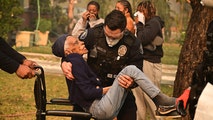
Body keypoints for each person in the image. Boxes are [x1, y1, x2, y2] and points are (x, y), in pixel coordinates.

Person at [52, 35, 189, 120]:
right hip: (99, 108)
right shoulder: (75, 61)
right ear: (68, 51)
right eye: (76, 42)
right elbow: (87, 92)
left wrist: (64, 61)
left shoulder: (73, 60)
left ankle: (161, 102)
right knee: (129, 70)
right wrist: (112, 88)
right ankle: (161, 101)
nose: (81, 42)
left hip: (100, 105)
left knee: (128, 73)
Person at [59, 10, 143, 120]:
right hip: (93, 85)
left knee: (130, 110)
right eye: (108, 35)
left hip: (118, 88)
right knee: (79, 111)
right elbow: (72, 49)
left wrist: (131, 82)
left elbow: (138, 70)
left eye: (115, 37)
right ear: (104, 26)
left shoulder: (133, 43)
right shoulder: (93, 34)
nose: (111, 40)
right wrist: (64, 63)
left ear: (123, 31)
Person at [133, 1, 166, 120]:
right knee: (138, 98)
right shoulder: (145, 24)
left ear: (148, 11)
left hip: (150, 63)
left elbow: (142, 38)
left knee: (151, 97)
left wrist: (140, 24)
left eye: (141, 11)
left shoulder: (154, 23)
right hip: (140, 62)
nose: (139, 13)